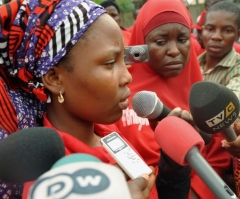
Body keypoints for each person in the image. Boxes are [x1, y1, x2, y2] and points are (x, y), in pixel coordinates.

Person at [0, 0, 193, 198]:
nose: (128, 77)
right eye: (110, 63)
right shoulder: (51, 177)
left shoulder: (108, 132)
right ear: (55, 79)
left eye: (123, 60)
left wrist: (172, 165)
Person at [114, 0, 232, 198]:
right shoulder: (119, 93)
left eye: (183, 39)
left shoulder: (203, 95)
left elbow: (217, 154)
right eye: (161, 42)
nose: (174, 51)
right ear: (141, 43)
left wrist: (195, 192)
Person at [198, 1, 240, 197]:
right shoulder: (190, 64)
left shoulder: (238, 70)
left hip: (223, 162)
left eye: (227, 30)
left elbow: (228, 108)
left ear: (238, 34)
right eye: (210, 29)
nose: (216, 36)